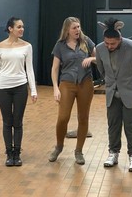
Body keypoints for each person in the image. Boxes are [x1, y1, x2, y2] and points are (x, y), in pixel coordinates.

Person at [96, 18, 132, 172]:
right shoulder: (100, 49)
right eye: (107, 43)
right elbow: (102, 70)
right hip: (112, 93)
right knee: (113, 125)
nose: (109, 46)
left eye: (112, 44)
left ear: (120, 39)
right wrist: (110, 83)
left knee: (130, 125)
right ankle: (113, 153)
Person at [0, 17, 37, 167]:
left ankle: (17, 153)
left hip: (20, 87)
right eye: (19, 27)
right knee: (7, 122)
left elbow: (29, 69)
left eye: (22, 27)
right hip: (3, 88)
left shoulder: (27, 46)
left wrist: (33, 90)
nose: (22, 29)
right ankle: (9, 153)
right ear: (10, 28)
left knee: (18, 121)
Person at [49, 17, 96, 165]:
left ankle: (79, 151)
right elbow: (55, 68)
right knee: (63, 117)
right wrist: (56, 87)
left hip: (85, 84)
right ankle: (59, 146)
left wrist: (92, 59)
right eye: (74, 28)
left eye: (78, 27)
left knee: (83, 117)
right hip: (66, 83)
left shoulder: (86, 41)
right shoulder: (60, 45)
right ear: (67, 30)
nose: (77, 30)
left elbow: (100, 57)